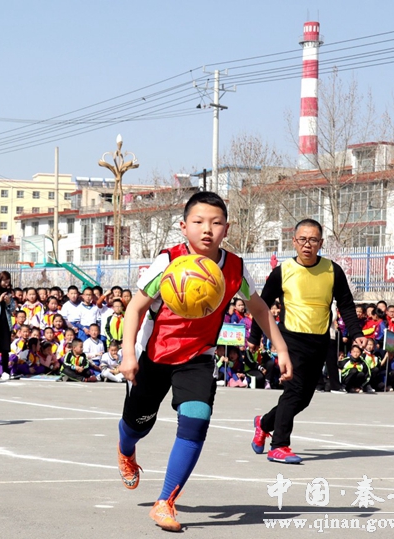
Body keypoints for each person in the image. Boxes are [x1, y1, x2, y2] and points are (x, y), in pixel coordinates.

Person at [116, 191, 291, 532]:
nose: (206, 229)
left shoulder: (234, 267)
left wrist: (281, 348)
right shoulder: (168, 261)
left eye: (215, 222)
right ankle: (125, 450)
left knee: (196, 419)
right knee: (138, 424)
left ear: (227, 228)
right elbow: (135, 307)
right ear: (184, 226)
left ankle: (165, 502)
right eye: (198, 222)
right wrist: (127, 354)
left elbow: (257, 308)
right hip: (155, 353)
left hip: (198, 356)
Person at [249, 218, 364, 465]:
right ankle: (279, 445)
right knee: (294, 391)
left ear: (321, 243)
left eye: (313, 240)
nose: (307, 245)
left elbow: (346, 305)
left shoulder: (333, 271)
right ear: (294, 242)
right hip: (290, 339)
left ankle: (264, 423)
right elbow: (262, 305)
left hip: (320, 340)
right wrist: (254, 337)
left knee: (304, 397)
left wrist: (357, 334)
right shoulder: (283, 271)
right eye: (302, 239)